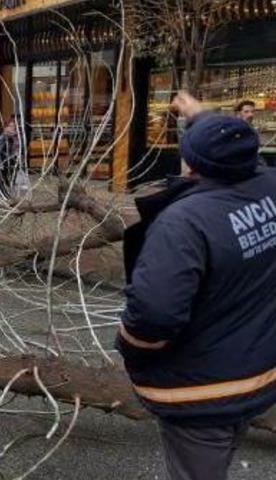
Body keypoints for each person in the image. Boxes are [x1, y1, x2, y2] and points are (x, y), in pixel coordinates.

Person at [117, 91, 276, 480]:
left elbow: (153, 314)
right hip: (257, 368)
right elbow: (236, 147)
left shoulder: (184, 222)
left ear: (190, 164)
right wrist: (198, 114)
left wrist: (130, 346)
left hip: (201, 391)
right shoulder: (268, 186)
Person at [0, 118, 21, 200]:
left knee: (11, 181)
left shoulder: (16, 136)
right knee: (4, 180)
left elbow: (18, 148)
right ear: (6, 127)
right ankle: (0, 195)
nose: (13, 128)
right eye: (11, 126)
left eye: (14, 126)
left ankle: (1, 195)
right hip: (5, 161)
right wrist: (0, 163)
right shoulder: (2, 138)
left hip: (13, 161)